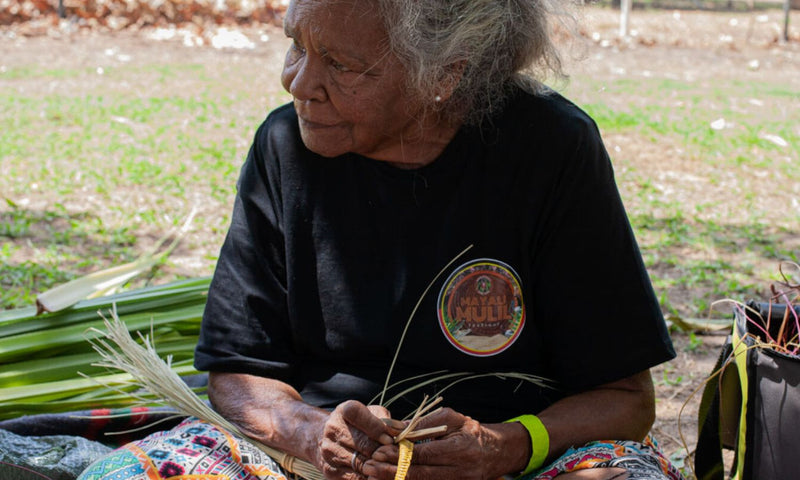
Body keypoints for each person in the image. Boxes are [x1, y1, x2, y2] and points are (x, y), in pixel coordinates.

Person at [79, 0, 684, 479]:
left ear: (446, 75)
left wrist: (501, 447)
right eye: (297, 45)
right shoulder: (285, 147)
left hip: (516, 461)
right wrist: (311, 434)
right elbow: (238, 373)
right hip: (309, 463)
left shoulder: (552, 150)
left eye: (340, 65)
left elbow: (625, 399)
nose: (298, 82)